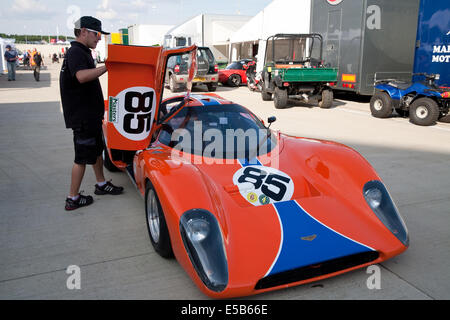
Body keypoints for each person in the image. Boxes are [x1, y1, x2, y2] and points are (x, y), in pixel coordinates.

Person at [59, 16, 123, 211]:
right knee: (81, 158)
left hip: (90, 115)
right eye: (96, 34)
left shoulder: (83, 52)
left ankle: (101, 184)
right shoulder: (76, 52)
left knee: (96, 151)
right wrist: (107, 67)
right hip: (83, 118)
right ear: (84, 31)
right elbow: (81, 76)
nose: (99, 38)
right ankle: (73, 198)